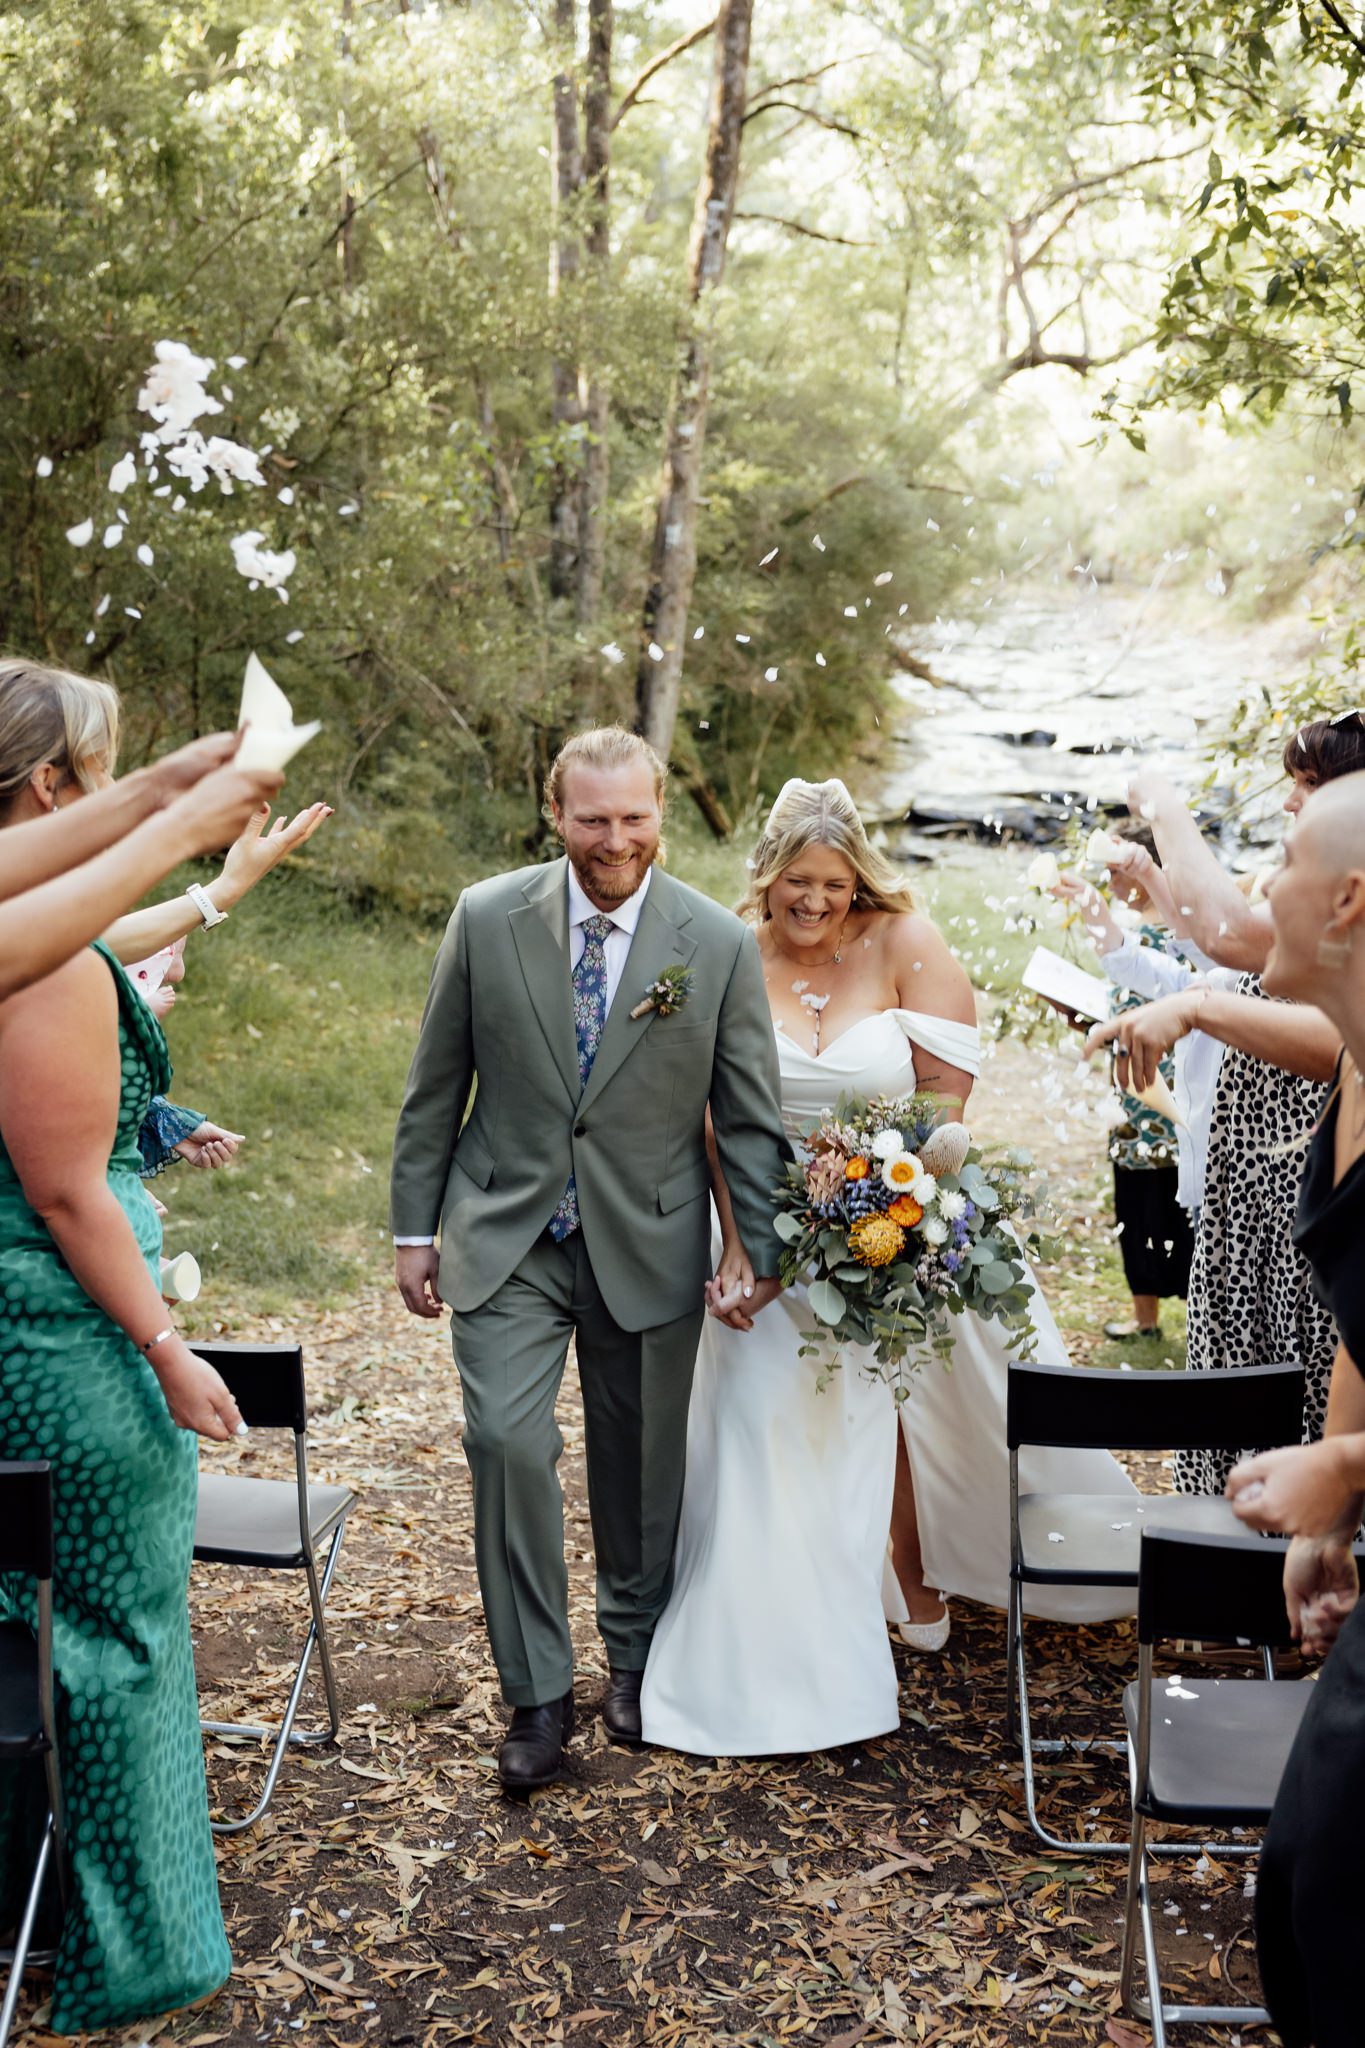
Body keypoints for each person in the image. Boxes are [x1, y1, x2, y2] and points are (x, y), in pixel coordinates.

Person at [639, 778, 1137, 1759]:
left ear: (857, 878)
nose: (813, 901)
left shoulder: (906, 942)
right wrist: (749, 1238)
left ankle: (910, 1576)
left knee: (880, 1405)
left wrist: (874, 1182)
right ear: (767, 879)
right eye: (794, 882)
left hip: (892, 1211)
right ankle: (767, 1643)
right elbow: (706, 1116)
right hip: (754, 1218)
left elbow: (948, 1107)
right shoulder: (724, 954)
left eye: (831, 882)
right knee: (756, 1422)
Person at [389, 726, 791, 1793]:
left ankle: (636, 1654)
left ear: (659, 810)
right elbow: (437, 1085)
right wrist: (414, 1227)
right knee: (506, 1442)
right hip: (506, 1230)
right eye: (592, 817)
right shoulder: (486, 917)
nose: (614, 840)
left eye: (634, 817)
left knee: (641, 1466)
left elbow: (747, 1119)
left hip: (649, 1236)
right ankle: (536, 1688)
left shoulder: (715, 941)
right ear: (555, 814)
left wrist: (764, 1248)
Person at [0, 663, 249, 2035]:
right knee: (114, 1632)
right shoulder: (40, 969)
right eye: (104, 769)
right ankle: (136, 1945)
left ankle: (25, 1897)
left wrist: (219, 882)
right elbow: (64, 1189)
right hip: (58, 1341)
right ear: (51, 789)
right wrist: (159, 1344)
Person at [1086, 726, 1363, 1493]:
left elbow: (1230, 936)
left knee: (1302, 1360)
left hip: (1277, 1187)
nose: (1266, 886)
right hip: (1245, 1182)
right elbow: (1228, 949)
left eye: (1305, 786)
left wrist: (1164, 804)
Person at [1225, 769, 1365, 2048]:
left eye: (1277, 859)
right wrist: (1336, 1485)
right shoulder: (1356, 1075)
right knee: (1309, 1880)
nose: (1255, 886)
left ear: (1349, 899)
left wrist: (1354, 1466)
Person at [0, 658, 284, 999]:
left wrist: (157, 790)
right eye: (102, 767)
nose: (112, 785)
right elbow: (47, 943)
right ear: (46, 781)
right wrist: (181, 828)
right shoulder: (62, 980)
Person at [1055, 822, 1194, 1342]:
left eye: (1118, 868)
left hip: (1166, 1100)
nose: (1110, 877)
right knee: (1137, 1209)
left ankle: (1165, 1317)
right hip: (1134, 1099)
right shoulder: (1134, 933)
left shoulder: (1173, 937)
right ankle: (1145, 1320)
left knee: (1164, 1208)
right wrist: (1086, 1021)